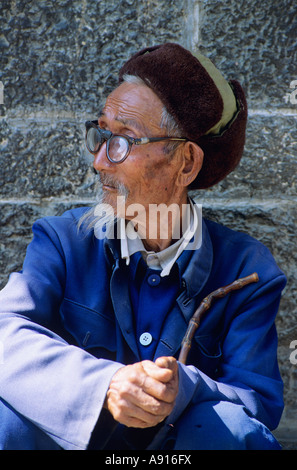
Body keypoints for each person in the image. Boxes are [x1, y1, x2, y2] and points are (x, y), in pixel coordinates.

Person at [0, 43, 286, 450]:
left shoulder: (246, 269)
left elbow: (256, 403)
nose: (100, 160)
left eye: (124, 140)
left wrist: (181, 387)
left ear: (185, 163)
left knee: (230, 428)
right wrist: (106, 383)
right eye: (102, 134)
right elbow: (4, 335)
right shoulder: (64, 241)